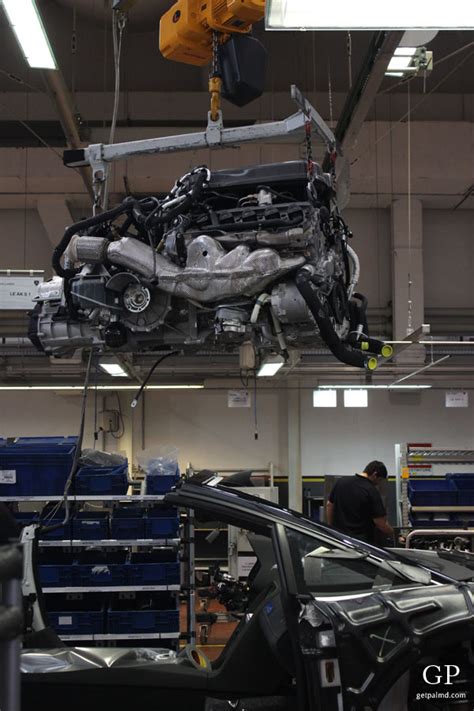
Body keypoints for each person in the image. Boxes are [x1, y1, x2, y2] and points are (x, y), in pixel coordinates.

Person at [326, 461, 394, 544]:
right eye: (379, 480)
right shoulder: (371, 490)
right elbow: (380, 523)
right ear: (374, 474)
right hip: (360, 542)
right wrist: (394, 534)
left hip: (339, 538)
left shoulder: (341, 482)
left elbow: (329, 505)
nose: (378, 483)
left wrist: (331, 528)